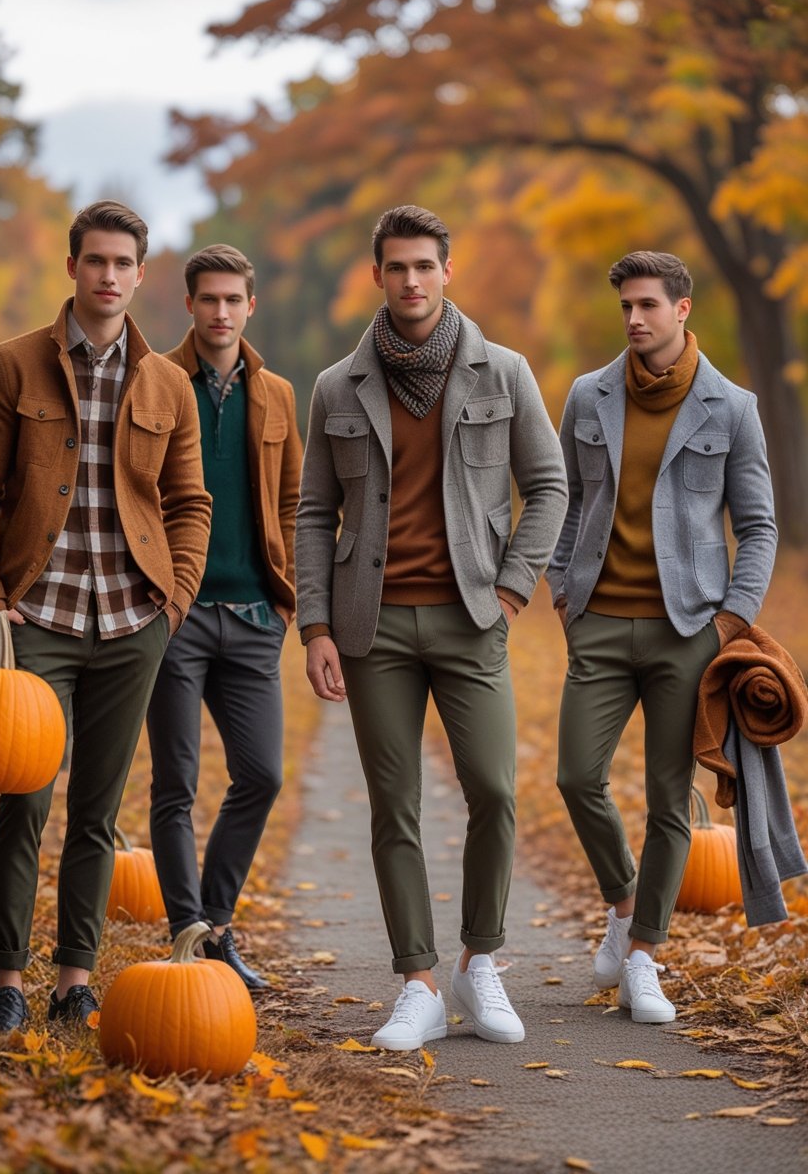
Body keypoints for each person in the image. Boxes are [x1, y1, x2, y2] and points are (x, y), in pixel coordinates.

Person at [295, 205, 568, 1051]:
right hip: (370, 626)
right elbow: (314, 513)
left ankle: (479, 962)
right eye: (397, 267)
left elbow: (549, 485)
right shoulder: (337, 386)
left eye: (425, 265)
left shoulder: (503, 372)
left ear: (447, 270)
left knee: (494, 789)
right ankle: (416, 982)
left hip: (473, 618)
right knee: (395, 805)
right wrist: (315, 625)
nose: (411, 280)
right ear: (377, 275)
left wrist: (513, 590)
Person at [0, 201, 212, 1033]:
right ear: (73, 267)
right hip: (34, 619)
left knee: (98, 814)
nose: (108, 276)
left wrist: (173, 602)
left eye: (122, 263)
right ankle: (9, 979)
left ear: (140, 275)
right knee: (24, 804)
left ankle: (74, 979)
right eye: (96, 261)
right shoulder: (12, 366)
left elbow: (190, 502)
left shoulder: (168, 384)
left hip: (130, 624)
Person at [546, 251, 777, 1024]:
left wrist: (730, 620)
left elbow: (759, 526)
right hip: (600, 623)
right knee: (577, 777)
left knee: (670, 802)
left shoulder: (732, 407)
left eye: (648, 305)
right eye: (626, 306)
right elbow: (566, 500)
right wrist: (561, 587)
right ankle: (623, 906)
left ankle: (645, 955)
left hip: (689, 633)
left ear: (682, 309)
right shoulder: (589, 394)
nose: (635, 319)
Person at [146, 244, 302, 989]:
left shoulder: (276, 395)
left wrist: (283, 599)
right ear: (190, 304)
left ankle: (216, 924)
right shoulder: (154, 381)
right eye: (208, 299)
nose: (220, 312)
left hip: (252, 618)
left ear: (250, 305)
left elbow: (295, 502)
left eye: (233, 299)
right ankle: (188, 935)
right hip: (175, 615)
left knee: (261, 775)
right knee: (175, 782)